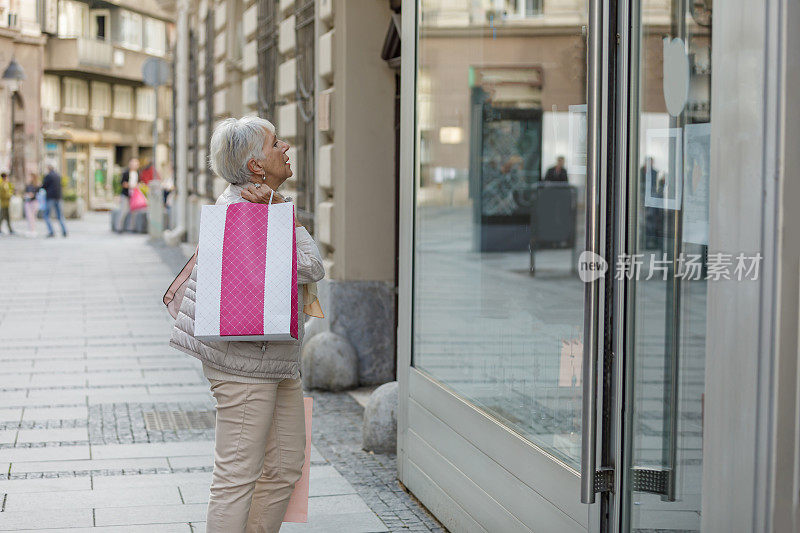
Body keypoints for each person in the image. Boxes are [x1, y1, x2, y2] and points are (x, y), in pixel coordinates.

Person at [169, 116, 325, 533]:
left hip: (275, 357)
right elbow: (312, 267)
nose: (287, 148)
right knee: (236, 477)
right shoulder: (246, 211)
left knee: (286, 465)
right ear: (256, 165)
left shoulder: (264, 205)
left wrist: (277, 211)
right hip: (243, 362)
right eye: (277, 143)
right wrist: (281, 217)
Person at [42, 165, 68, 238]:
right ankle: (64, 231)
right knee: (60, 215)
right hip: (58, 197)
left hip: (50, 198)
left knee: (46, 215)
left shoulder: (48, 176)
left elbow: (43, 186)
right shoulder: (58, 176)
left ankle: (51, 232)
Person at [115, 158, 139, 233]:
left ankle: (131, 228)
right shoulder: (126, 173)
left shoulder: (138, 173)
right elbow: (123, 184)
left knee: (133, 212)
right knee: (123, 211)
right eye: (133, 164)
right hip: (126, 195)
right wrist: (131, 186)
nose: (134, 165)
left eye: (136, 164)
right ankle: (119, 227)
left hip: (134, 196)